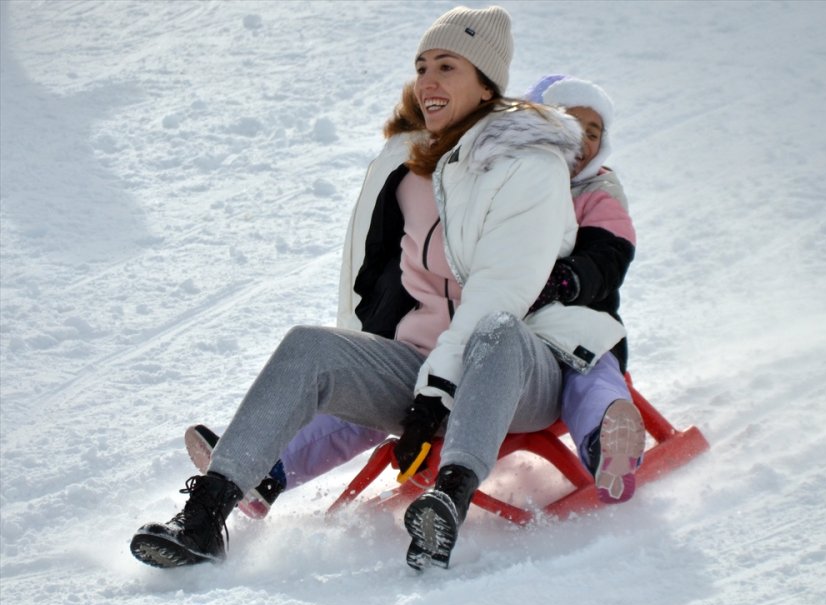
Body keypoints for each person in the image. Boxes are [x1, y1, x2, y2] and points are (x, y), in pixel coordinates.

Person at [130, 5, 626, 572]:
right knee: (309, 346)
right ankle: (204, 519)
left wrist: (435, 394)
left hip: (520, 374)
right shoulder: (406, 163)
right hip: (417, 373)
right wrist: (364, 362)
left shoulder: (529, 165)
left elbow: (500, 292)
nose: (428, 81)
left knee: (494, 330)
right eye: (421, 67)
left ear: (488, 84)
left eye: (447, 66)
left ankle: (449, 501)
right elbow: (369, 273)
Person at [183, 73, 645, 518]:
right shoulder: (499, 180)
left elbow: (609, 256)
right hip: (473, 335)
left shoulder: (596, 194)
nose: (580, 139)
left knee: (593, 375)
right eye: (568, 122)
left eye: (593, 131)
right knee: (376, 400)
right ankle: (267, 468)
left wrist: (568, 279)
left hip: (567, 335)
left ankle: (607, 445)